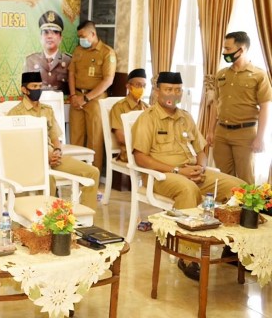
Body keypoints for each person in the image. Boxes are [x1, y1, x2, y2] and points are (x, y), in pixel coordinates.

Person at [132, 71, 246, 280]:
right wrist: (177, 171)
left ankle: (232, 248)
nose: (173, 94)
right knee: (188, 189)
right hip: (162, 175)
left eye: (177, 90)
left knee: (239, 188)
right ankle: (188, 257)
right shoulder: (147, 118)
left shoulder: (186, 117)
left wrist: (201, 167)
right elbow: (140, 158)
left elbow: (201, 149)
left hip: (193, 172)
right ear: (157, 92)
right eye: (168, 89)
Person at [8, 72, 100, 211]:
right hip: (32, 160)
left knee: (92, 172)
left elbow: (55, 137)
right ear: (24, 89)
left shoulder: (47, 110)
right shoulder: (15, 113)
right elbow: (16, 147)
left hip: (54, 157)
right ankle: (48, 219)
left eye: (40, 86)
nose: (38, 90)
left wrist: (57, 151)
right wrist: (45, 156)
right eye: (34, 86)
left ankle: (87, 217)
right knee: (48, 179)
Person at [207, 31, 272, 184]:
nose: (224, 52)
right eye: (224, 48)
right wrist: (210, 130)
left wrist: (260, 138)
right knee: (223, 178)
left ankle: (246, 202)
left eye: (228, 49)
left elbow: (265, 107)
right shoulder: (221, 74)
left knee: (245, 179)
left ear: (241, 50)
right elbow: (216, 104)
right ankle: (226, 201)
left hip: (245, 135)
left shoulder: (259, 75)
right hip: (221, 132)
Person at [68, 20, 116, 170]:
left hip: (95, 99)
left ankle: (93, 175)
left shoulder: (107, 52)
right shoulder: (78, 51)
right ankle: (74, 173)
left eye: (83, 36)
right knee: (75, 138)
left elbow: (108, 80)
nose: (80, 40)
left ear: (93, 34)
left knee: (95, 139)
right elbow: (71, 73)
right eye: (79, 37)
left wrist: (86, 98)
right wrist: (73, 96)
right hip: (77, 97)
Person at [24, 10, 72, 94]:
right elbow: (26, 91)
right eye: (46, 32)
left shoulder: (69, 61)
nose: (49, 36)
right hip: (38, 101)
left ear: (60, 38)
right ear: (40, 37)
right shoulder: (31, 61)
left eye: (55, 32)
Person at [109, 68, 150, 162]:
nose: (141, 88)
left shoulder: (147, 107)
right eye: (138, 85)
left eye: (144, 85)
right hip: (130, 153)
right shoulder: (119, 107)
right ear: (128, 86)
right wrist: (144, 145)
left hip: (149, 151)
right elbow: (120, 137)